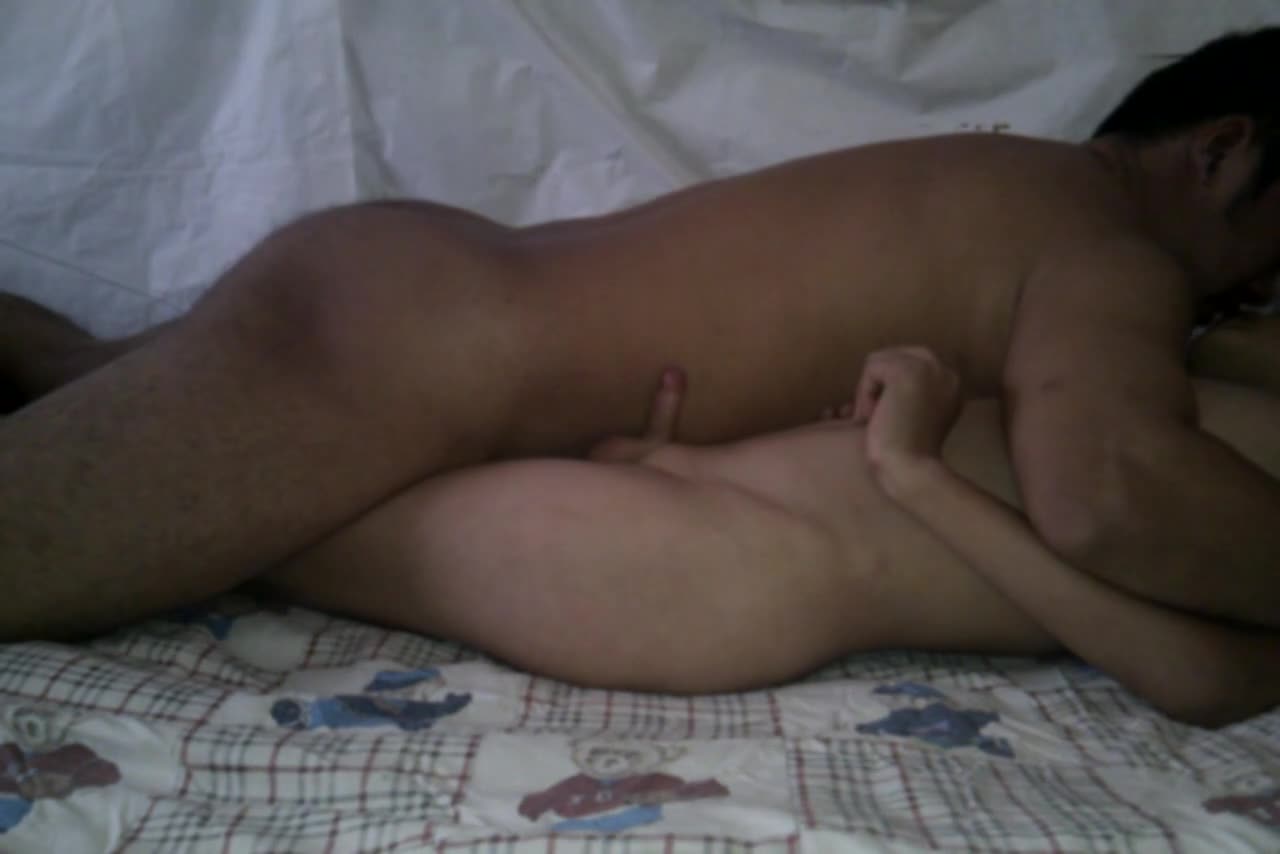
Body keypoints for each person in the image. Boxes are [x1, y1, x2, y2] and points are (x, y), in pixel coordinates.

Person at [3, 29, 1280, 642]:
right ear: (1221, 150)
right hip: (419, 348)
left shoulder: (1021, 197)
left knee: (73, 387)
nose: (1257, 291)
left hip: (412, 311)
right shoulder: (1110, 249)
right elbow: (1108, 490)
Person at [5, 301, 1279, 726]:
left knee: (204, 497)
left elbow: (1202, 680)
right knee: (223, 434)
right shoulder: (1190, 347)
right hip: (692, 505)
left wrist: (913, 473)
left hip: (712, 576)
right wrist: (685, 455)